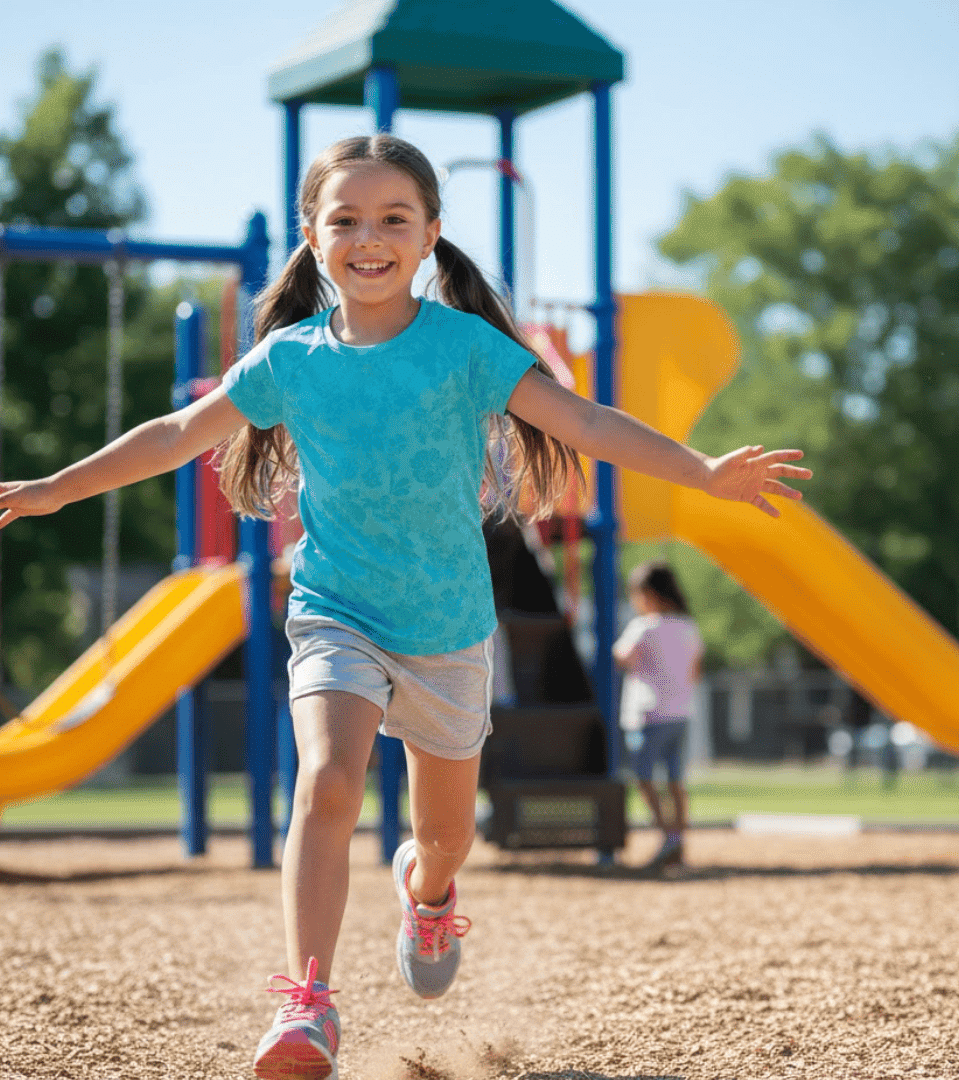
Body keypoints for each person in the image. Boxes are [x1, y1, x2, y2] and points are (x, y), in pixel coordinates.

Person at [0, 134, 810, 1080]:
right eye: (345, 219)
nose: (369, 238)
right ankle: (306, 1006)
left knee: (444, 835)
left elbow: (584, 422)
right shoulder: (289, 360)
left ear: (430, 236)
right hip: (335, 609)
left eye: (394, 219)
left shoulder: (467, 349)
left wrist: (703, 470)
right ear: (312, 237)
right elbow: (180, 432)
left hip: (448, 631)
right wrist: (58, 486)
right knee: (328, 784)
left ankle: (427, 895)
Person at [612, 560, 703, 870]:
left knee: (643, 776)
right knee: (676, 779)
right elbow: (695, 672)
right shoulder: (689, 627)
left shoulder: (643, 627)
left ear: (648, 595)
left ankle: (668, 836)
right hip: (681, 712)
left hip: (648, 714)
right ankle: (679, 840)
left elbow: (621, 657)